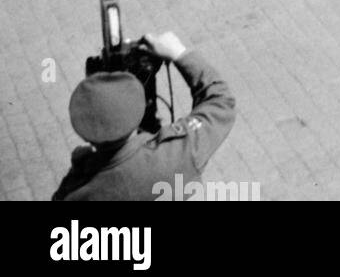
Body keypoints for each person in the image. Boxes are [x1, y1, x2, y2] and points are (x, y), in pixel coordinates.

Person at [52, 31, 235, 201]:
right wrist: (179, 53)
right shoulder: (177, 156)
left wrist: (79, 169)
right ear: (136, 110)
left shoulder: (77, 192)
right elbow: (221, 101)